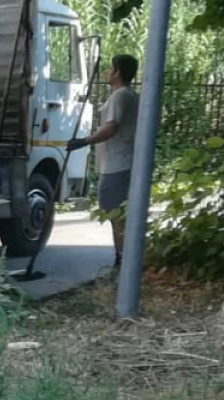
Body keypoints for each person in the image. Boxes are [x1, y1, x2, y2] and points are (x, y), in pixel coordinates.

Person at [67, 54, 140, 268]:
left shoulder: (121, 96)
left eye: (111, 68)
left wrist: (84, 141)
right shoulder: (131, 95)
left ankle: (124, 260)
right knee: (118, 214)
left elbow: (111, 127)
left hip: (117, 163)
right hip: (121, 162)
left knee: (115, 214)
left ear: (118, 72)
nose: (107, 72)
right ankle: (124, 258)